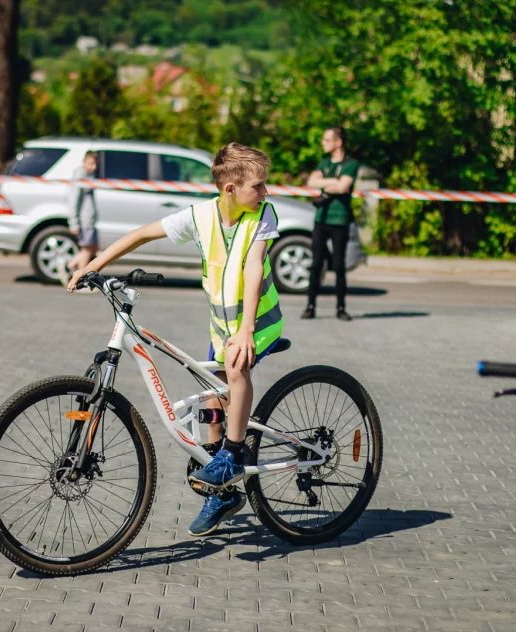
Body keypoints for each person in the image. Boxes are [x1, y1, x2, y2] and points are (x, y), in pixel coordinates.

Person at [67, 143, 284, 537]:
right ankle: (222, 493)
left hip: (257, 323)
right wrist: (93, 264)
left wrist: (247, 330)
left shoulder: (262, 215)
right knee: (214, 398)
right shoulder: (201, 217)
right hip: (223, 324)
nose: (266, 191)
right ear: (230, 189)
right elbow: (142, 234)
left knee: (235, 369)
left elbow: (254, 268)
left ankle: (232, 457)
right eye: (258, 185)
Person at [302, 126, 359, 321]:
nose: (323, 143)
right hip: (321, 219)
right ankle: (310, 306)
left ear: (338, 142)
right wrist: (334, 182)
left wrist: (327, 183)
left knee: (338, 265)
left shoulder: (351, 164)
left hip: (339, 220)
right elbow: (312, 182)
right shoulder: (324, 163)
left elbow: (344, 187)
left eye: (327, 140)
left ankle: (341, 307)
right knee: (316, 263)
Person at [66, 151, 99, 278]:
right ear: (84, 162)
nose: (94, 167)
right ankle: (80, 278)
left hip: (89, 220)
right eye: (91, 163)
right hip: (84, 220)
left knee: (92, 249)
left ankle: (69, 266)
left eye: (95, 163)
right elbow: (73, 200)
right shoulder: (80, 176)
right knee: (87, 250)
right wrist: (74, 223)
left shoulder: (89, 175)